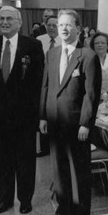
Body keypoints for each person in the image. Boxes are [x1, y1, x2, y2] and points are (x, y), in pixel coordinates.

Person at [39, 9, 101, 215]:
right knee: (58, 168)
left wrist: (86, 123)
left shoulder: (88, 56)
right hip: (54, 121)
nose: (63, 28)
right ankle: (63, 208)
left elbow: (91, 94)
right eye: (60, 25)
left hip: (77, 124)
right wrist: (43, 116)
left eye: (68, 25)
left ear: (78, 28)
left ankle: (83, 212)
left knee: (80, 169)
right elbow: (46, 86)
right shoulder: (52, 54)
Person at [0, 6, 44, 215]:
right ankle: (5, 199)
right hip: (0, 113)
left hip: (25, 113)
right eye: (1, 18)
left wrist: (37, 114)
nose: (5, 22)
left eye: (9, 18)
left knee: (25, 157)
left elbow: (37, 82)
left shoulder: (33, 45)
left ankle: (25, 199)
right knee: (4, 157)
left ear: (19, 22)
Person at [36, 15, 62, 157]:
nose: (51, 28)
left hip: (59, 82)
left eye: (55, 25)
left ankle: (57, 147)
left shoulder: (65, 41)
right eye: (49, 25)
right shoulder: (39, 40)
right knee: (43, 113)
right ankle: (44, 148)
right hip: (42, 82)